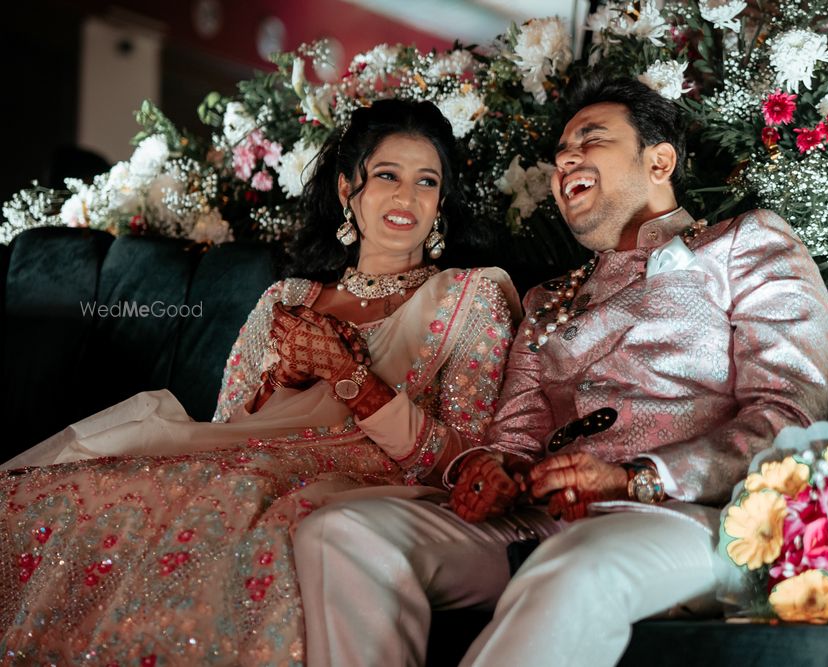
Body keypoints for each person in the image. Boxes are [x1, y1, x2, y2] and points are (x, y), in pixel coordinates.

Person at [292, 75, 828, 666]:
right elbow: (514, 439)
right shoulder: (549, 301)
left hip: (698, 518)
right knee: (342, 531)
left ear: (660, 161)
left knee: (571, 566)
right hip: (548, 521)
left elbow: (790, 419)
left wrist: (637, 478)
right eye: (559, 154)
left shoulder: (745, 243)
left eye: (591, 139)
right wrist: (497, 471)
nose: (566, 160)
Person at [0, 99, 520, 663]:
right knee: (66, 489)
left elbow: (463, 464)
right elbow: (229, 425)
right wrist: (282, 379)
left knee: (242, 496)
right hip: (253, 460)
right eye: (388, 176)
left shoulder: (471, 297)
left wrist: (348, 376)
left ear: (441, 202)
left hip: (367, 486)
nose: (407, 197)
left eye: (427, 182)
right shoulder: (287, 298)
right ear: (347, 189)